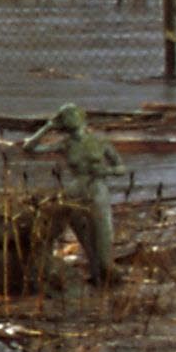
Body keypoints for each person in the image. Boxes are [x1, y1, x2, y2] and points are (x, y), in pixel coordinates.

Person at [26, 103, 125, 287]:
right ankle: (97, 284)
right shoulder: (65, 144)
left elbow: (121, 167)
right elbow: (29, 148)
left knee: (103, 241)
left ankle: (108, 274)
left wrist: (106, 171)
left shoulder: (99, 141)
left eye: (70, 114)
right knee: (87, 244)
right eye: (64, 116)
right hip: (74, 193)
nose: (68, 118)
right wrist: (48, 126)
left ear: (81, 117)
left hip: (97, 190)